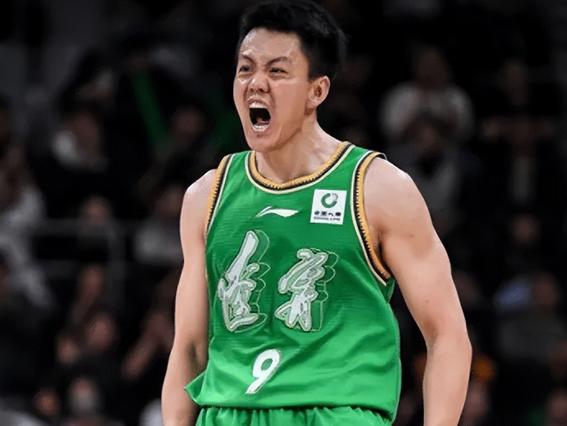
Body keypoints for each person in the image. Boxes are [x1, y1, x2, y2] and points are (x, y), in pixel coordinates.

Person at [162, 1, 471, 425]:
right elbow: (190, 348)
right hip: (228, 413)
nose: (256, 83)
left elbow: (447, 334)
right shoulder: (206, 196)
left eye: (277, 71)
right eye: (245, 69)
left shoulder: (378, 188)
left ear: (317, 91)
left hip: (336, 413)